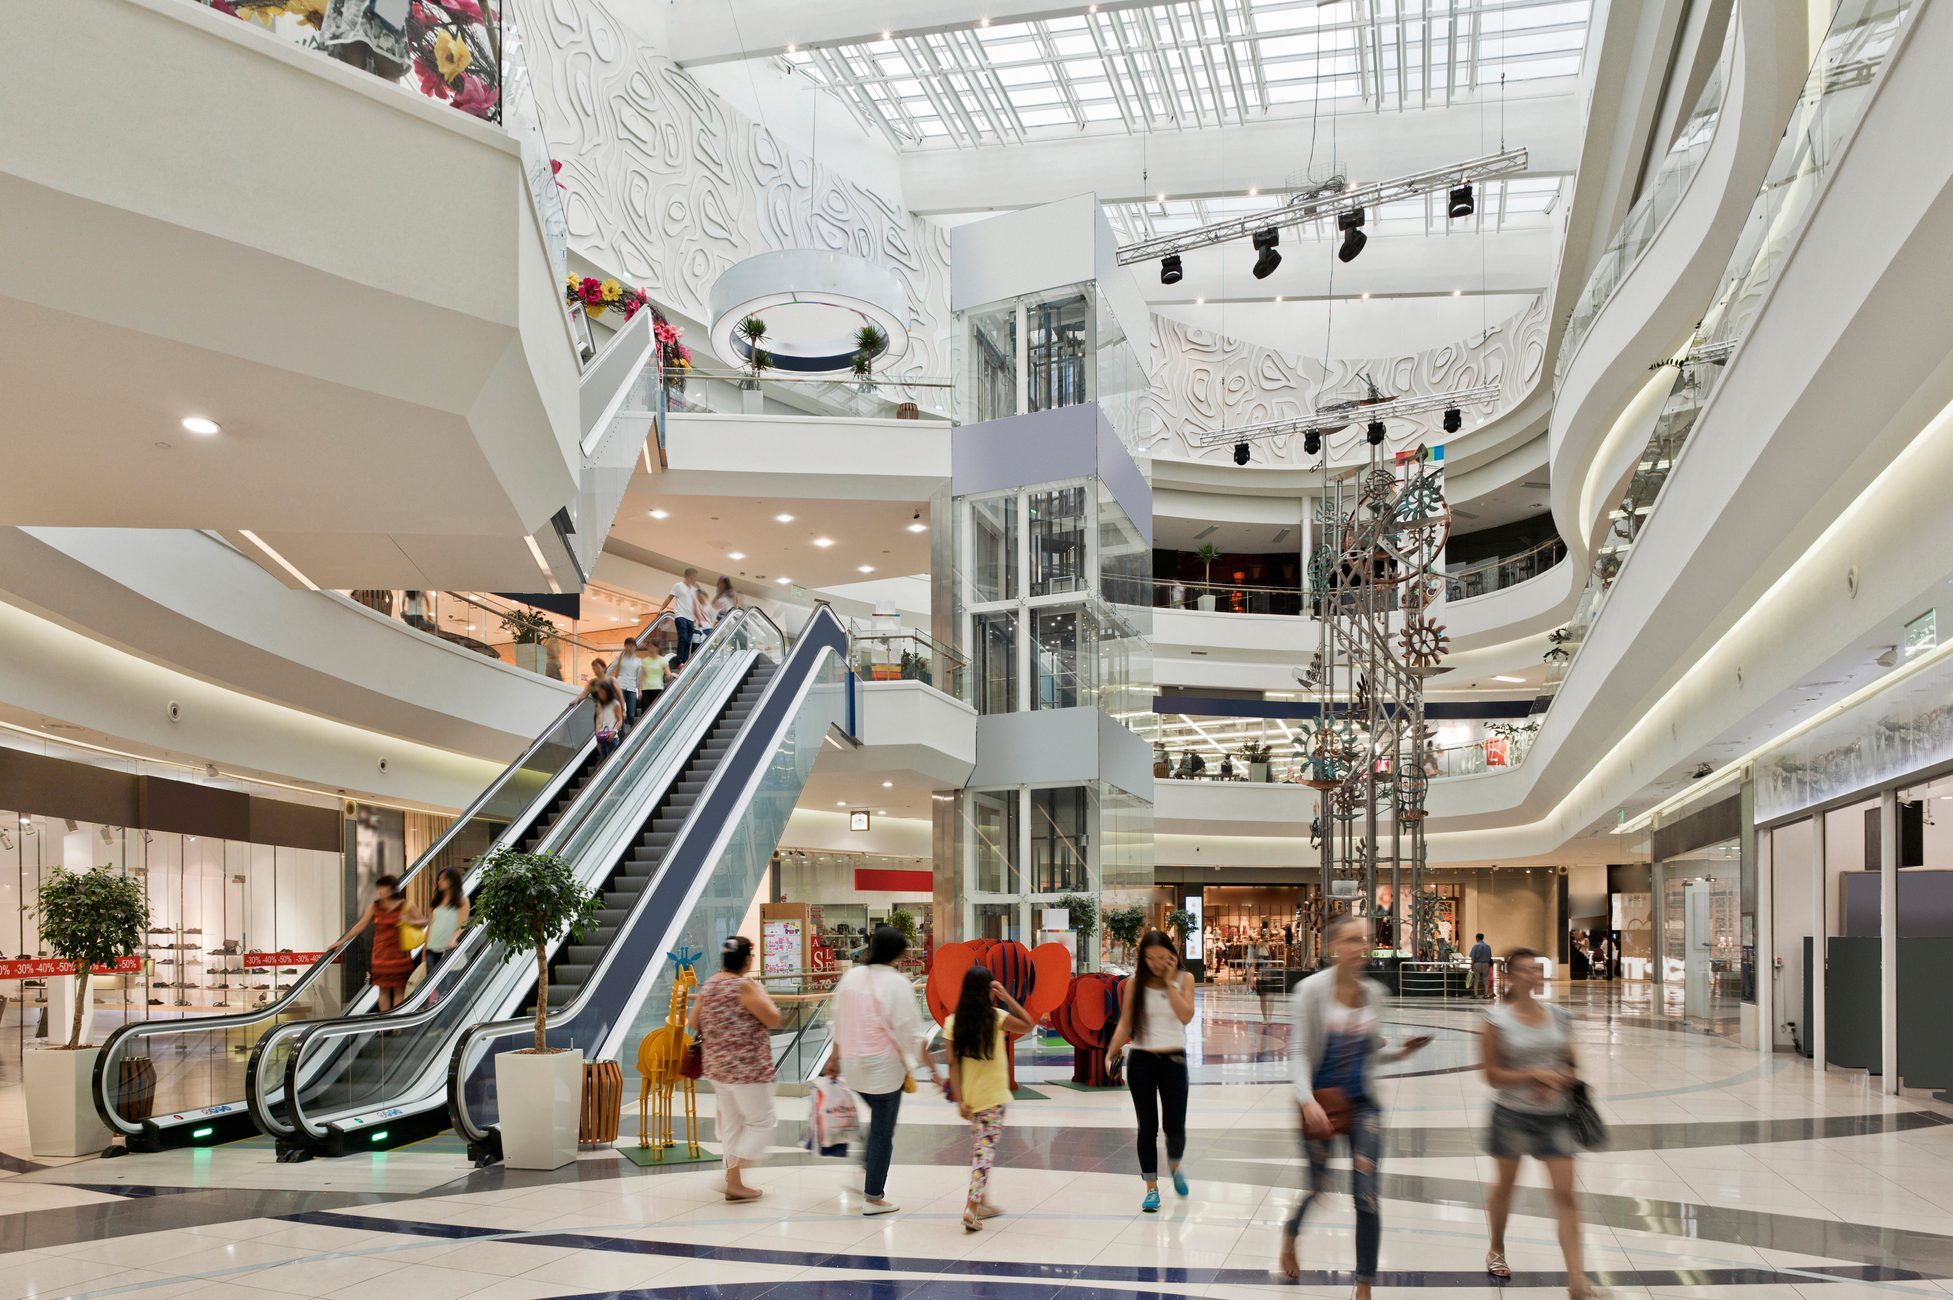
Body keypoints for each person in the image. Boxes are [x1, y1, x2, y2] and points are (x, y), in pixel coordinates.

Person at [1279, 912, 1431, 1291]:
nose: (1359, 946)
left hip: (1363, 1106)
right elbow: (1298, 1052)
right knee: (1317, 1187)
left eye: (1363, 940)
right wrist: (1306, 1100)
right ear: (1333, 947)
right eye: (1350, 940)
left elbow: (1369, 1056)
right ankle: (1290, 1232)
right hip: (1319, 1104)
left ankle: (1364, 1283)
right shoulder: (1311, 992)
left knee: (1367, 1195)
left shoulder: (1374, 995)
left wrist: (1400, 1051)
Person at [1480, 948, 1592, 1298]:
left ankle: (1577, 1279)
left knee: (1566, 1197)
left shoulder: (1559, 1016)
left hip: (1556, 1117)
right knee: (1505, 1188)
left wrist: (1561, 1078)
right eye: (1526, 970)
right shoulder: (1495, 1020)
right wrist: (1534, 1076)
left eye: (1537, 969)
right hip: (1511, 1116)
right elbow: (1491, 1075)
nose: (1534, 975)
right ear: (1511, 976)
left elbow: (1573, 1065)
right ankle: (1496, 1247)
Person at [832, 925, 943, 1215]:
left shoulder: (851, 977)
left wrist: (834, 1058)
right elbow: (912, 1033)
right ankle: (873, 1196)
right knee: (883, 1131)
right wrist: (933, 1070)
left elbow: (838, 1020)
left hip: (854, 1067)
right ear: (897, 953)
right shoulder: (897, 983)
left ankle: (865, 1170)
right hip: (884, 1070)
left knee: (877, 1124)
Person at [1103, 929, 1195, 1212]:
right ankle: (1151, 1188)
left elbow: (1186, 1015)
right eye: (1150, 958)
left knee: (1175, 1127)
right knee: (1147, 1127)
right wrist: (1110, 1052)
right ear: (1143, 959)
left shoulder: (1185, 979)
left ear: (1173, 955)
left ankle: (1175, 1164)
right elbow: (1126, 1022)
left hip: (1174, 1061)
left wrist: (1169, 984)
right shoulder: (1135, 983)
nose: (1156, 963)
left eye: (1163, 957)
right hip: (1142, 1061)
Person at [689, 935, 782, 1201]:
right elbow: (773, 1018)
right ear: (746, 959)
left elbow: (693, 1020)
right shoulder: (743, 986)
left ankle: (735, 1183)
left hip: (717, 1068)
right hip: (747, 1069)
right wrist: (759, 990)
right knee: (762, 1121)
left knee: (733, 1126)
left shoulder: (709, 985)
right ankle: (732, 1175)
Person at [945, 965, 1035, 1232]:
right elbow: (1029, 1024)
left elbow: (952, 1064)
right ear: (988, 990)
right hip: (993, 1096)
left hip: (972, 1097)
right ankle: (971, 1207)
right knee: (983, 1153)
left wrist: (960, 1099)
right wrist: (1006, 997)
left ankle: (982, 1202)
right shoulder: (996, 1017)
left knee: (979, 1147)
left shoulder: (953, 1022)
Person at [336, 874, 424, 1014]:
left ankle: (396, 1023)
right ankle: (384, 1024)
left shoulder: (405, 905)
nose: (381, 891)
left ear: (392, 889)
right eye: (380, 887)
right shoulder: (375, 906)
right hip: (381, 955)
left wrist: (409, 920)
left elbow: (423, 922)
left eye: (384, 887)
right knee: (383, 991)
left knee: (399, 991)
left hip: (399, 954)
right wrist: (342, 941)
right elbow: (361, 925)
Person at [423, 867, 469, 979]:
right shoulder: (436, 901)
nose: (439, 882)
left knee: (448, 983)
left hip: (448, 948)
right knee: (431, 985)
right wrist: (424, 950)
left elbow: (463, 924)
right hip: (432, 948)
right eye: (439, 879)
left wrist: (454, 938)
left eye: (443, 879)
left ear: (452, 881)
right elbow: (430, 926)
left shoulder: (462, 900)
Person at [659, 568, 701, 671]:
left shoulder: (693, 589)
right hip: (680, 616)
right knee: (683, 637)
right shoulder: (678, 586)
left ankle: (684, 661)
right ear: (689, 576)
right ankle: (679, 660)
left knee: (688, 640)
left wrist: (697, 617)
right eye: (694, 577)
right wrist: (661, 608)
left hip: (690, 618)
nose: (695, 579)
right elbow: (669, 598)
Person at [582, 662, 624, 761]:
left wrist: (614, 732)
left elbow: (620, 720)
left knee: (615, 761)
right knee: (605, 761)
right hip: (602, 738)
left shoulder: (614, 703)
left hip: (612, 738)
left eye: (602, 692)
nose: (600, 694)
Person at [613, 640, 644, 729]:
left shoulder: (638, 661)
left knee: (631, 713)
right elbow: (614, 670)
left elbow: (639, 677)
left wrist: (640, 691)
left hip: (631, 688)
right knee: (620, 712)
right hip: (620, 686)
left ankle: (629, 730)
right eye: (628, 645)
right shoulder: (619, 658)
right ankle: (620, 730)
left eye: (632, 646)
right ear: (625, 647)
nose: (630, 648)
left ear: (635, 647)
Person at [640, 646, 669, 719]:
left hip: (658, 688)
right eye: (650, 647)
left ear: (657, 648)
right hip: (646, 689)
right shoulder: (645, 661)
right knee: (646, 712)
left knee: (657, 711)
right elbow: (642, 677)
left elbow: (668, 674)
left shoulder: (663, 660)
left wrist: (672, 675)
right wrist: (639, 690)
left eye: (653, 647)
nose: (651, 649)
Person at [1470, 932, 1495, 1000]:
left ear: (1477, 938)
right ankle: (1486, 994)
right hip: (1486, 964)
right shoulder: (1488, 946)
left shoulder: (1475, 946)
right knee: (1486, 979)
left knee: (1476, 979)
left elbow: (1473, 957)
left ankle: (1475, 995)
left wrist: (1471, 965)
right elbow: (1490, 956)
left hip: (1477, 964)